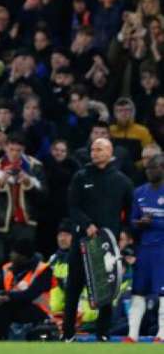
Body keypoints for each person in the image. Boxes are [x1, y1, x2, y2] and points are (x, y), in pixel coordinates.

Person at [62, 138, 134, 341]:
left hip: (107, 244)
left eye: (99, 149)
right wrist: (87, 224)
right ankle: (67, 334)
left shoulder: (122, 181)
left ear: (110, 152)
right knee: (73, 287)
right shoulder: (80, 176)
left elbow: (130, 213)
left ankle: (103, 333)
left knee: (106, 290)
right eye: (92, 149)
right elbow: (72, 207)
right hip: (82, 242)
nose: (94, 153)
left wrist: (125, 234)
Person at [0, 239, 53, 340]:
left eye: (14, 253)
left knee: (3, 306)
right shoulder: (8, 267)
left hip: (38, 310)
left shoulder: (44, 270)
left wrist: (4, 298)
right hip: (15, 304)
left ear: (23, 256)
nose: (10, 255)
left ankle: (1, 339)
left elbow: (30, 294)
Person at [126, 153, 164, 342]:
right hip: (144, 249)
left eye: (153, 168)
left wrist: (155, 223)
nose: (149, 172)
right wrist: (140, 223)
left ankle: (162, 334)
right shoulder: (139, 192)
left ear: (162, 168)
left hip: (162, 249)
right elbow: (131, 222)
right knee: (138, 290)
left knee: (163, 292)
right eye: (147, 169)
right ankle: (132, 335)